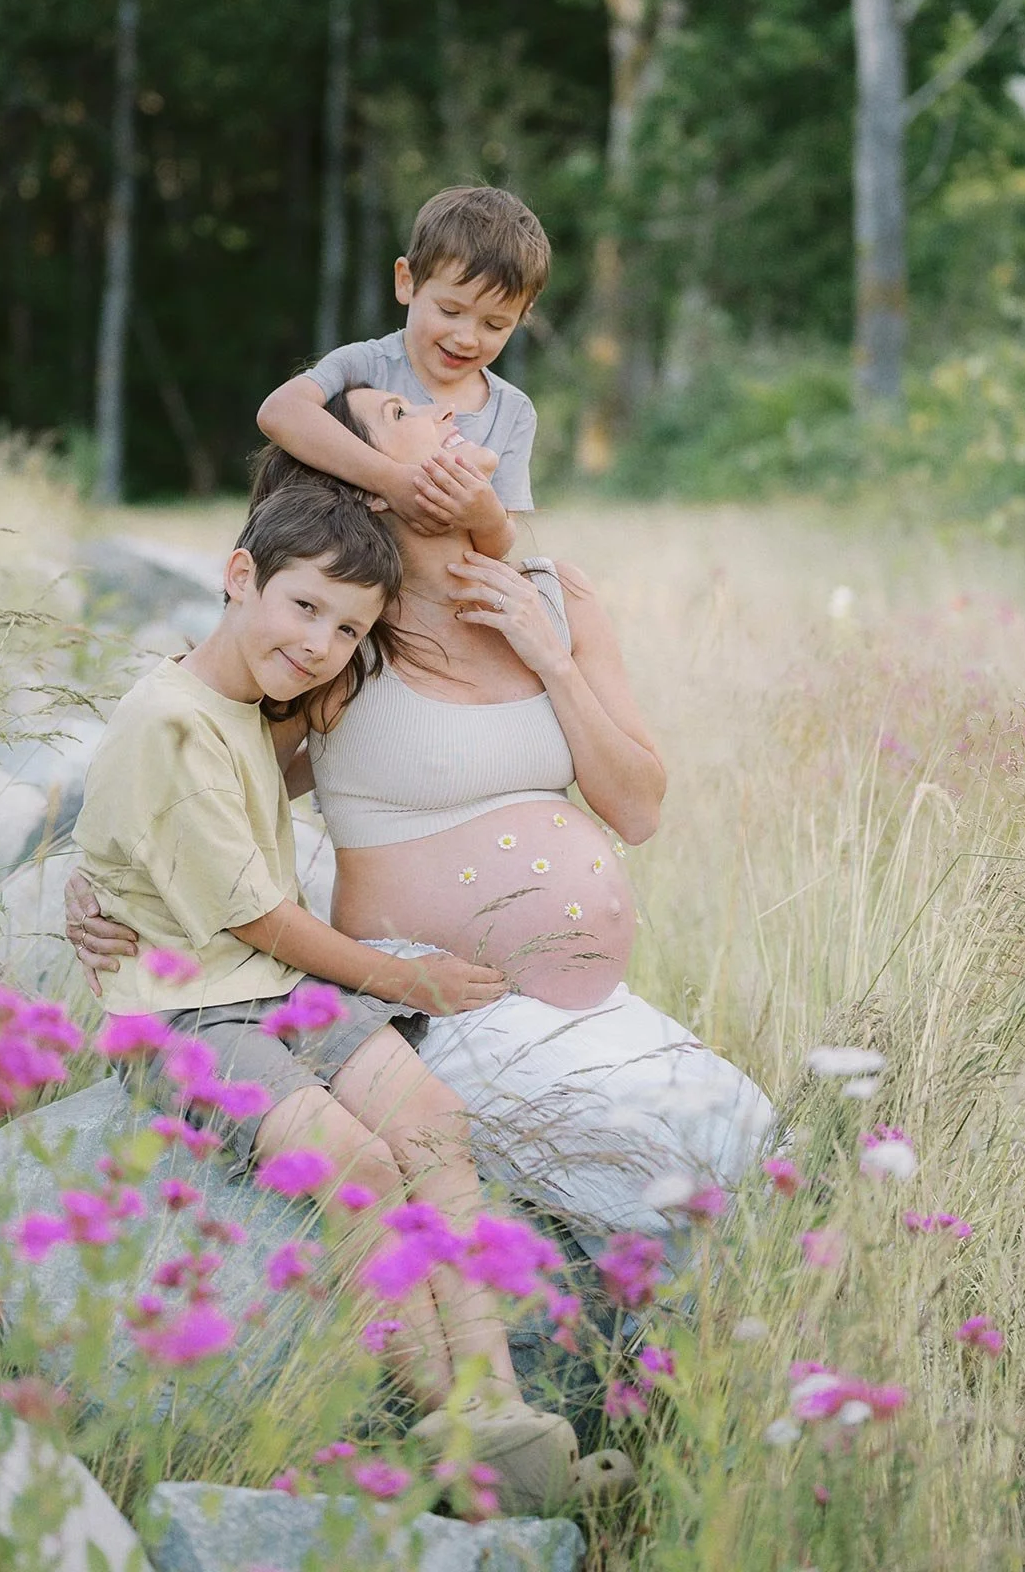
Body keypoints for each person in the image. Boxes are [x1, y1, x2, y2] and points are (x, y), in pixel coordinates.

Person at [69, 399, 775, 1250]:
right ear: (369, 482)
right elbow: (197, 766)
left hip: (583, 1000)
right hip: (424, 990)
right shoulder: (341, 641)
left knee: (749, 1130)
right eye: (401, 408)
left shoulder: (554, 596)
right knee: (664, 1161)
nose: (445, 406)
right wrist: (101, 882)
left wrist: (547, 655)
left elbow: (639, 808)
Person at [71, 473, 611, 1511]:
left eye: (345, 626)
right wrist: (411, 979)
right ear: (241, 578)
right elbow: (260, 918)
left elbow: (175, 832)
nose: (319, 641)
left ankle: (502, 1406)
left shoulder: (240, 704)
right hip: (180, 1011)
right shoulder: (173, 721)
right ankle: (443, 1420)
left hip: (268, 987)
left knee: (433, 1120)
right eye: (304, 605)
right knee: (356, 1160)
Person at [257, 185, 549, 562]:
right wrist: (391, 483)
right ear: (406, 281)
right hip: (355, 577)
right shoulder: (367, 364)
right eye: (449, 310)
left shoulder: (513, 411)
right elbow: (279, 413)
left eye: (494, 325)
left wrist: (486, 518)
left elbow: (499, 547)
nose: (466, 338)